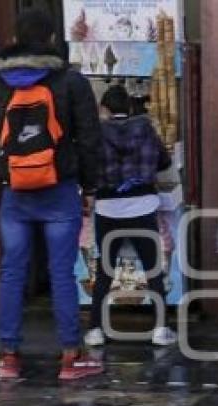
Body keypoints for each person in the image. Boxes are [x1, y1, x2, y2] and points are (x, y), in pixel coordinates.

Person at [0, 9, 104, 381]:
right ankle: (69, 358)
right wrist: (90, 186)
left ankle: (9, 357)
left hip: (14, 192)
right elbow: (90, 138)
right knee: (62, 272)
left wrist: (5, 173)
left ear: (15, 36)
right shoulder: (69, 79)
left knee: (12, 272)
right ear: (50, 39)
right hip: (59, 188)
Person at [83, 84, 177, 347]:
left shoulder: (97, 132)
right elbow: (163, 163)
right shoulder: (145, 128)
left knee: (104, 270)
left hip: (108, 208)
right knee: (152, 268)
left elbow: (88, 166)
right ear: (129, 107)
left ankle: (95, 330)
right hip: (142, 206)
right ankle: (160, 329)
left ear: (105, 108)